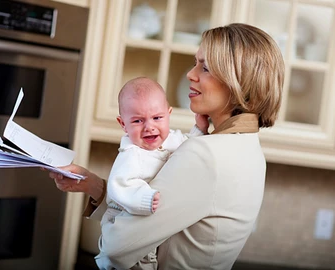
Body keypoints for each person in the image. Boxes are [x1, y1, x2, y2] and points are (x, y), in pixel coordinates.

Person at [49, 23, 284, 270]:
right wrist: (95, 185)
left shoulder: (206, 154)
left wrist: (111, 229)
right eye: (196, 63)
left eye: (205, 67)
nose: (191, 74)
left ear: (238, 81)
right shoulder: (248, 148)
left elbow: (116, 248)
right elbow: (165, 216)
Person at [101, 76, 209, 269]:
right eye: (137, 120)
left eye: (157, 118)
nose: (149, 127)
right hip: (126, 217)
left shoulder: (174, 140)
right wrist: (144, 199)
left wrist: (199, 129)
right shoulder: (131, 155)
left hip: (155, 227)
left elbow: (190, 147)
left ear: (168, 114)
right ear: (123, 124)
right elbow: (120, 185)